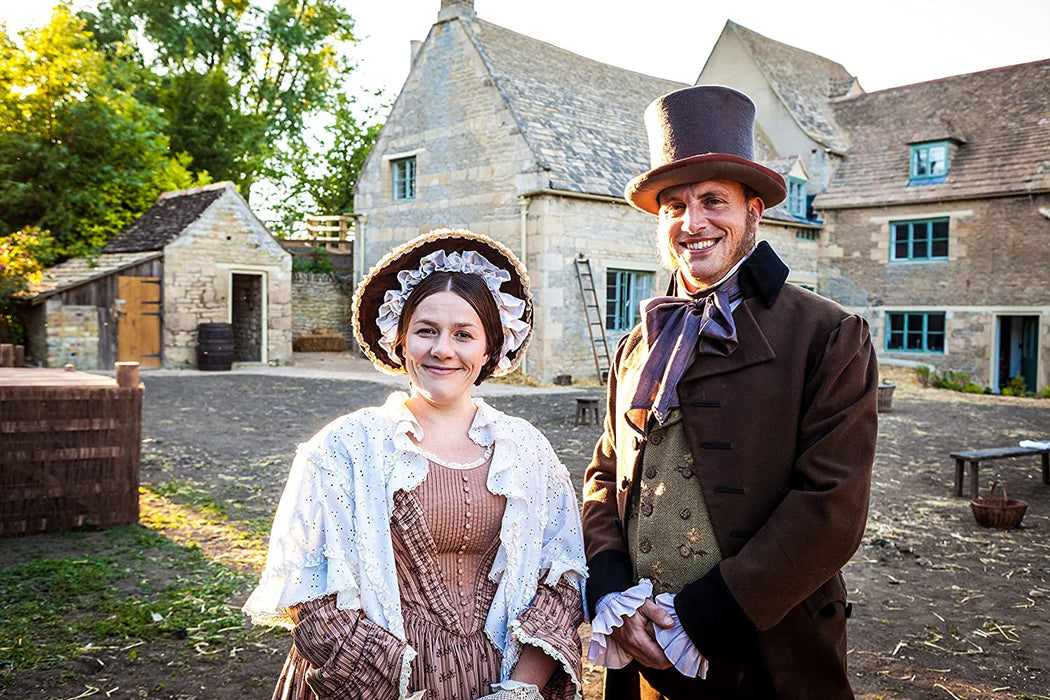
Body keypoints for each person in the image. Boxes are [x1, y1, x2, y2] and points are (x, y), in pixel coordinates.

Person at [581, 85, 879, 698]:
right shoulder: (636, 345)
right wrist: (611, 587)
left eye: (714, 200)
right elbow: (606, 476)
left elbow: (831, 506)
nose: (693, 223)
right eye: (674, 205)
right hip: (639, 654)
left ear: (753, 212)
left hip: (765, 653)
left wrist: (700, 619)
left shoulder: (828, 334)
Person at [244, 228, 587, 700]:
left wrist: (520, 689)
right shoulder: (344, 449)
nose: (443, 349)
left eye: (463, 334)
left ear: (489, 349)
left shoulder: (528, 451)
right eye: (427, 331)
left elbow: (560, 581)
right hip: (369, 687)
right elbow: (315, 599)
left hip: (503, 681)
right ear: (400, 341)